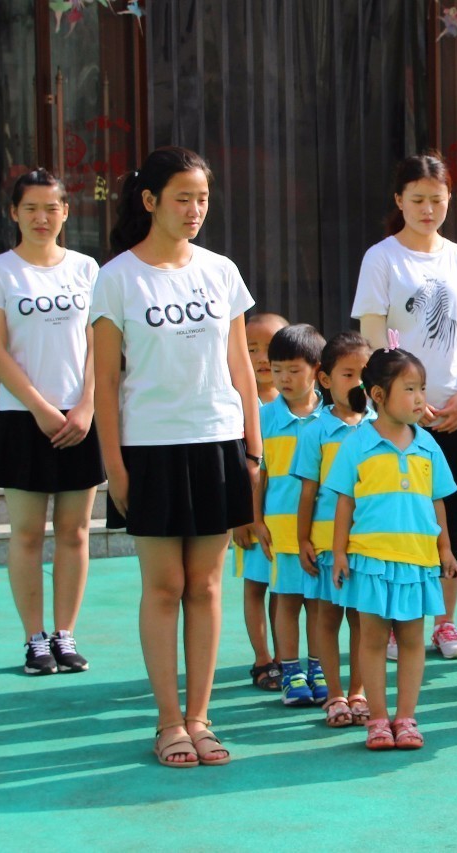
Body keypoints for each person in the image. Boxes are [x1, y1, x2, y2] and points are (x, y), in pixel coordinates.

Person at [92, 146, 261, 768]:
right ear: (150, 201)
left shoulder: (221, 271)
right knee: (164, 586)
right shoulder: (116, 278)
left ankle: (201, 718)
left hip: (216, 442)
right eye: (183, 197)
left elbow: (241, 367)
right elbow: (104, 381)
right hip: (150, 449)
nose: (195, 210)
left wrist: (252, 450)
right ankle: (168, 724)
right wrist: (114, 466)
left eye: (203, 198)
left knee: (208, 585)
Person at [351, 152, 457, 660]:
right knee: (399, 520)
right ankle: (397, 624)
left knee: (449, 519)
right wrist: (401, 404)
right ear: (399, 201)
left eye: (437, 200)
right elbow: (373, 339)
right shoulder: (382, 258)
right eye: (417, 200)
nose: (428, 209)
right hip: (400, 419)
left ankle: (446, 622)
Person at [0, 168, 102, 675]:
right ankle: (34, 640)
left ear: (66, 212)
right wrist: (40, 408)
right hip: (22, 418)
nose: (42, 217)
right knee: (27, 533)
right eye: (31, 208)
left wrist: (88, 404)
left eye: (52, 207)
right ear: (13, 213)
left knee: (74, 533)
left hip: (80, 418)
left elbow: (101, 343)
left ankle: (65, 636)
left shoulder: (87, 268)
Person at [328, 346, 457, 749]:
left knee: (410, 640)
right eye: (410, 388)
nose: (420, 398)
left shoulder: (428, 446)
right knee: (371, 640)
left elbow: (438, 501)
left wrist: (446, 549)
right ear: (379, 396)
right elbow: (344, 502)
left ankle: (406, 718)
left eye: (421, 388)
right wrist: (338, 553)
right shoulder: (356, 443)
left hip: (417, 563)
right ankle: (378, 720)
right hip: (371, 561)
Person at [294, 331, 375, 726]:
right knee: (327, 617)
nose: (358, 382)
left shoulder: (382, 427)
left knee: (363, 618)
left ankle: (360, 693)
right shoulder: (314, 431)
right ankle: (335, 694)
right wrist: (303, 539)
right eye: (348, 373)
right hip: (326, 543)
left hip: (367, 542)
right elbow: (308, 492)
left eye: (365, 373)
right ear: (325, 380)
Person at [257, 324, 329, 707]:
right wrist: (254, 520)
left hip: (322, 532)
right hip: (281, 530)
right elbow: (257, 475)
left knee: (318, 602)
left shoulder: (333, 418)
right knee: (286, 600)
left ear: (318, 370)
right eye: (277, 369)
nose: (283, 378)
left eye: (294, 369)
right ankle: (290, 670)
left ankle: (318, 667)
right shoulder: (264, 417)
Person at [233, 312, 288, 692]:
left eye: (271, 347)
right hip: (250, 515)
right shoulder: (234, 401)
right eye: (251, 348)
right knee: (255, 586)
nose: (262, 357)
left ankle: (285, 657)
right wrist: (240, 516)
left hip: (286, 519)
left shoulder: (300, 405)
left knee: (282, 588)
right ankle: (262, 658)